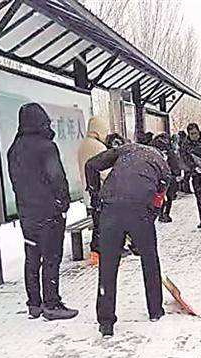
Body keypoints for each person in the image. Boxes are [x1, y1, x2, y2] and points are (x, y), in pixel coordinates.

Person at [85, 138, 171, 338]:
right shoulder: (163, 167)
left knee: (108, 264)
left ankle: (106, 322)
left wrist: (95, 194)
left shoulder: (127, 149)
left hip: (110, 207)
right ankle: (155, 310)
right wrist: (144, 225)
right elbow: (158, 203)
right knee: (150, 260)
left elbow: (91, 165)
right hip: (139, 209)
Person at [7, 103, 78, 321]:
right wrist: (62, 202)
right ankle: (52, 304)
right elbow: (56, 177)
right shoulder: (46, 147)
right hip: (49, 213)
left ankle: (34, 304)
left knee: (32, 258)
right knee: (51, 258)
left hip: (27, 214)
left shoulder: (14, 149)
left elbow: (16, 182)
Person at [77, 116, 109, 265]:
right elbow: (106, 172)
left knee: (97, 222)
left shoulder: (83, 144)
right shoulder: (98, 147)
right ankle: (99, 251)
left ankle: (95, 252)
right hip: (100, 192)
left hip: (89, 192)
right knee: (103, 224)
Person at [150, 133, 182, 223]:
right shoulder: (167, 149)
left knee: (161, 196)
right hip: (167, 176)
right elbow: (174, 162)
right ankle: (165, 214)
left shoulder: (153, 149)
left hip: (160, 176)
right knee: (167, 196)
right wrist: (177, 175)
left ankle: (161, 214)